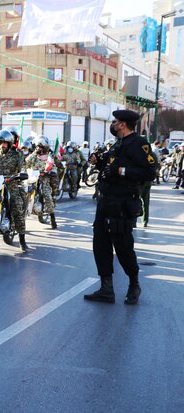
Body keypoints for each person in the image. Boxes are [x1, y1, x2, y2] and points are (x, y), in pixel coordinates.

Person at [84, 110, 156, 305]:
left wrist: (121, 170)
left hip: (123, 203)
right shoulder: (119, 143)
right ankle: (106, 288)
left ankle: (134, 285)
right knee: (100, 245)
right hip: (106, 201)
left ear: (123, 124)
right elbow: (109, 166)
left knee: (123, 247)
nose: (113, 124)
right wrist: (99, 162)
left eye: (115, 122)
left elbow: (150, 172)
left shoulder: (139, 144)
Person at [26, 136, 58, 229]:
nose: (38, 149)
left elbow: (53, 166)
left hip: (44, 179)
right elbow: (26, 162)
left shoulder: (49, 156)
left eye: (40, 147)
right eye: (37, 147)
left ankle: (52, 218)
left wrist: (52, 171)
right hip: (33, 179)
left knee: (47, 195)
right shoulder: (34, 156)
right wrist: (34, 153)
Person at [138, 146, 159, 227]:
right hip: (149, 180)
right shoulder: (153, 154)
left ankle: (133, 222)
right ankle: (145, 221)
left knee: (135, 201)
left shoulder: (140, 155)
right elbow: (156, 165)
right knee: (146, 202)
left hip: (140, 181)